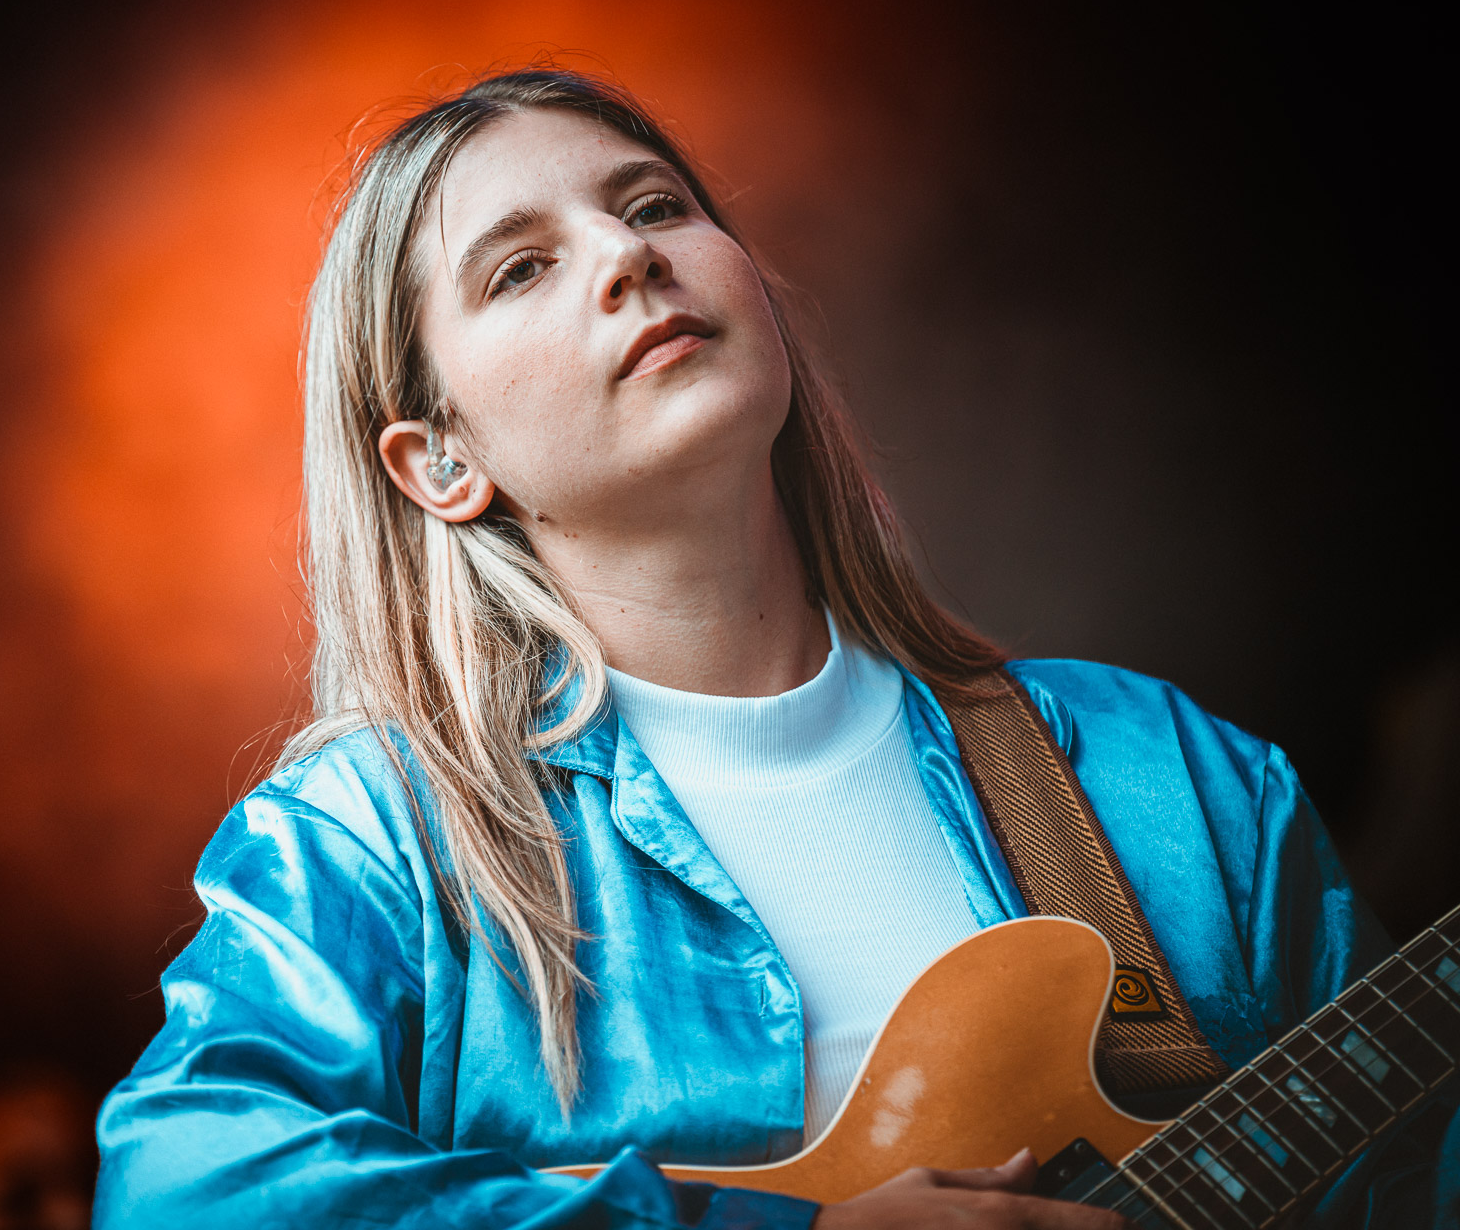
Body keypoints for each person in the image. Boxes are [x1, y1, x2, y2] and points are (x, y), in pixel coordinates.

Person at [93, 69, 1453, 1228]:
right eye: (521, 267)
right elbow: (181, 1193)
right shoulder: (372, 840)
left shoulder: (1172, 776)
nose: (628, 256)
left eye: (655, 206)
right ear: (440, 461)